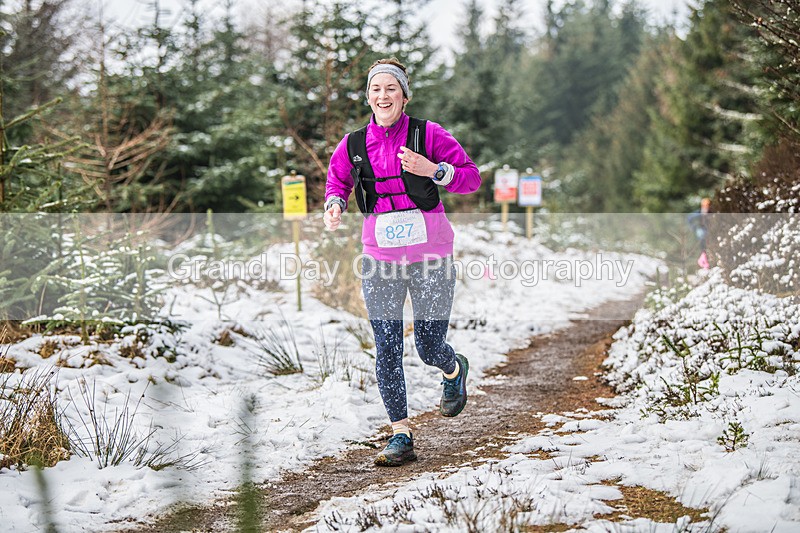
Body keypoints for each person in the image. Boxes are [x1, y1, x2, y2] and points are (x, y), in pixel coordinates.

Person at [323, 58, 481, 466]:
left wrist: (435, 170)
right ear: (368, 97)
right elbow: (337, 179)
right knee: (387, 348)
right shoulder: (353, 144)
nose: (383, 96)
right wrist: (334, 203)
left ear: (404, 95)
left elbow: (471, 177)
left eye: (391, 88)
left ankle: (452, 368)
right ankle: (401, 435)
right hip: (380, 257)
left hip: (431, 254)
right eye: (376, 89)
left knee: (428, 345)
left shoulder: (428, 133)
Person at [688, 197, 711, 269]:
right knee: (701, 236)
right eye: (704, 205)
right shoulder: (698, 213)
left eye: (707, 205)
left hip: (709, 231)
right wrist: (693, 227)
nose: (706, 207)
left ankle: (705, 258)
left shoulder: (711, 212)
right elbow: (689, 218)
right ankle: (703, 258)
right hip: (701, 231)